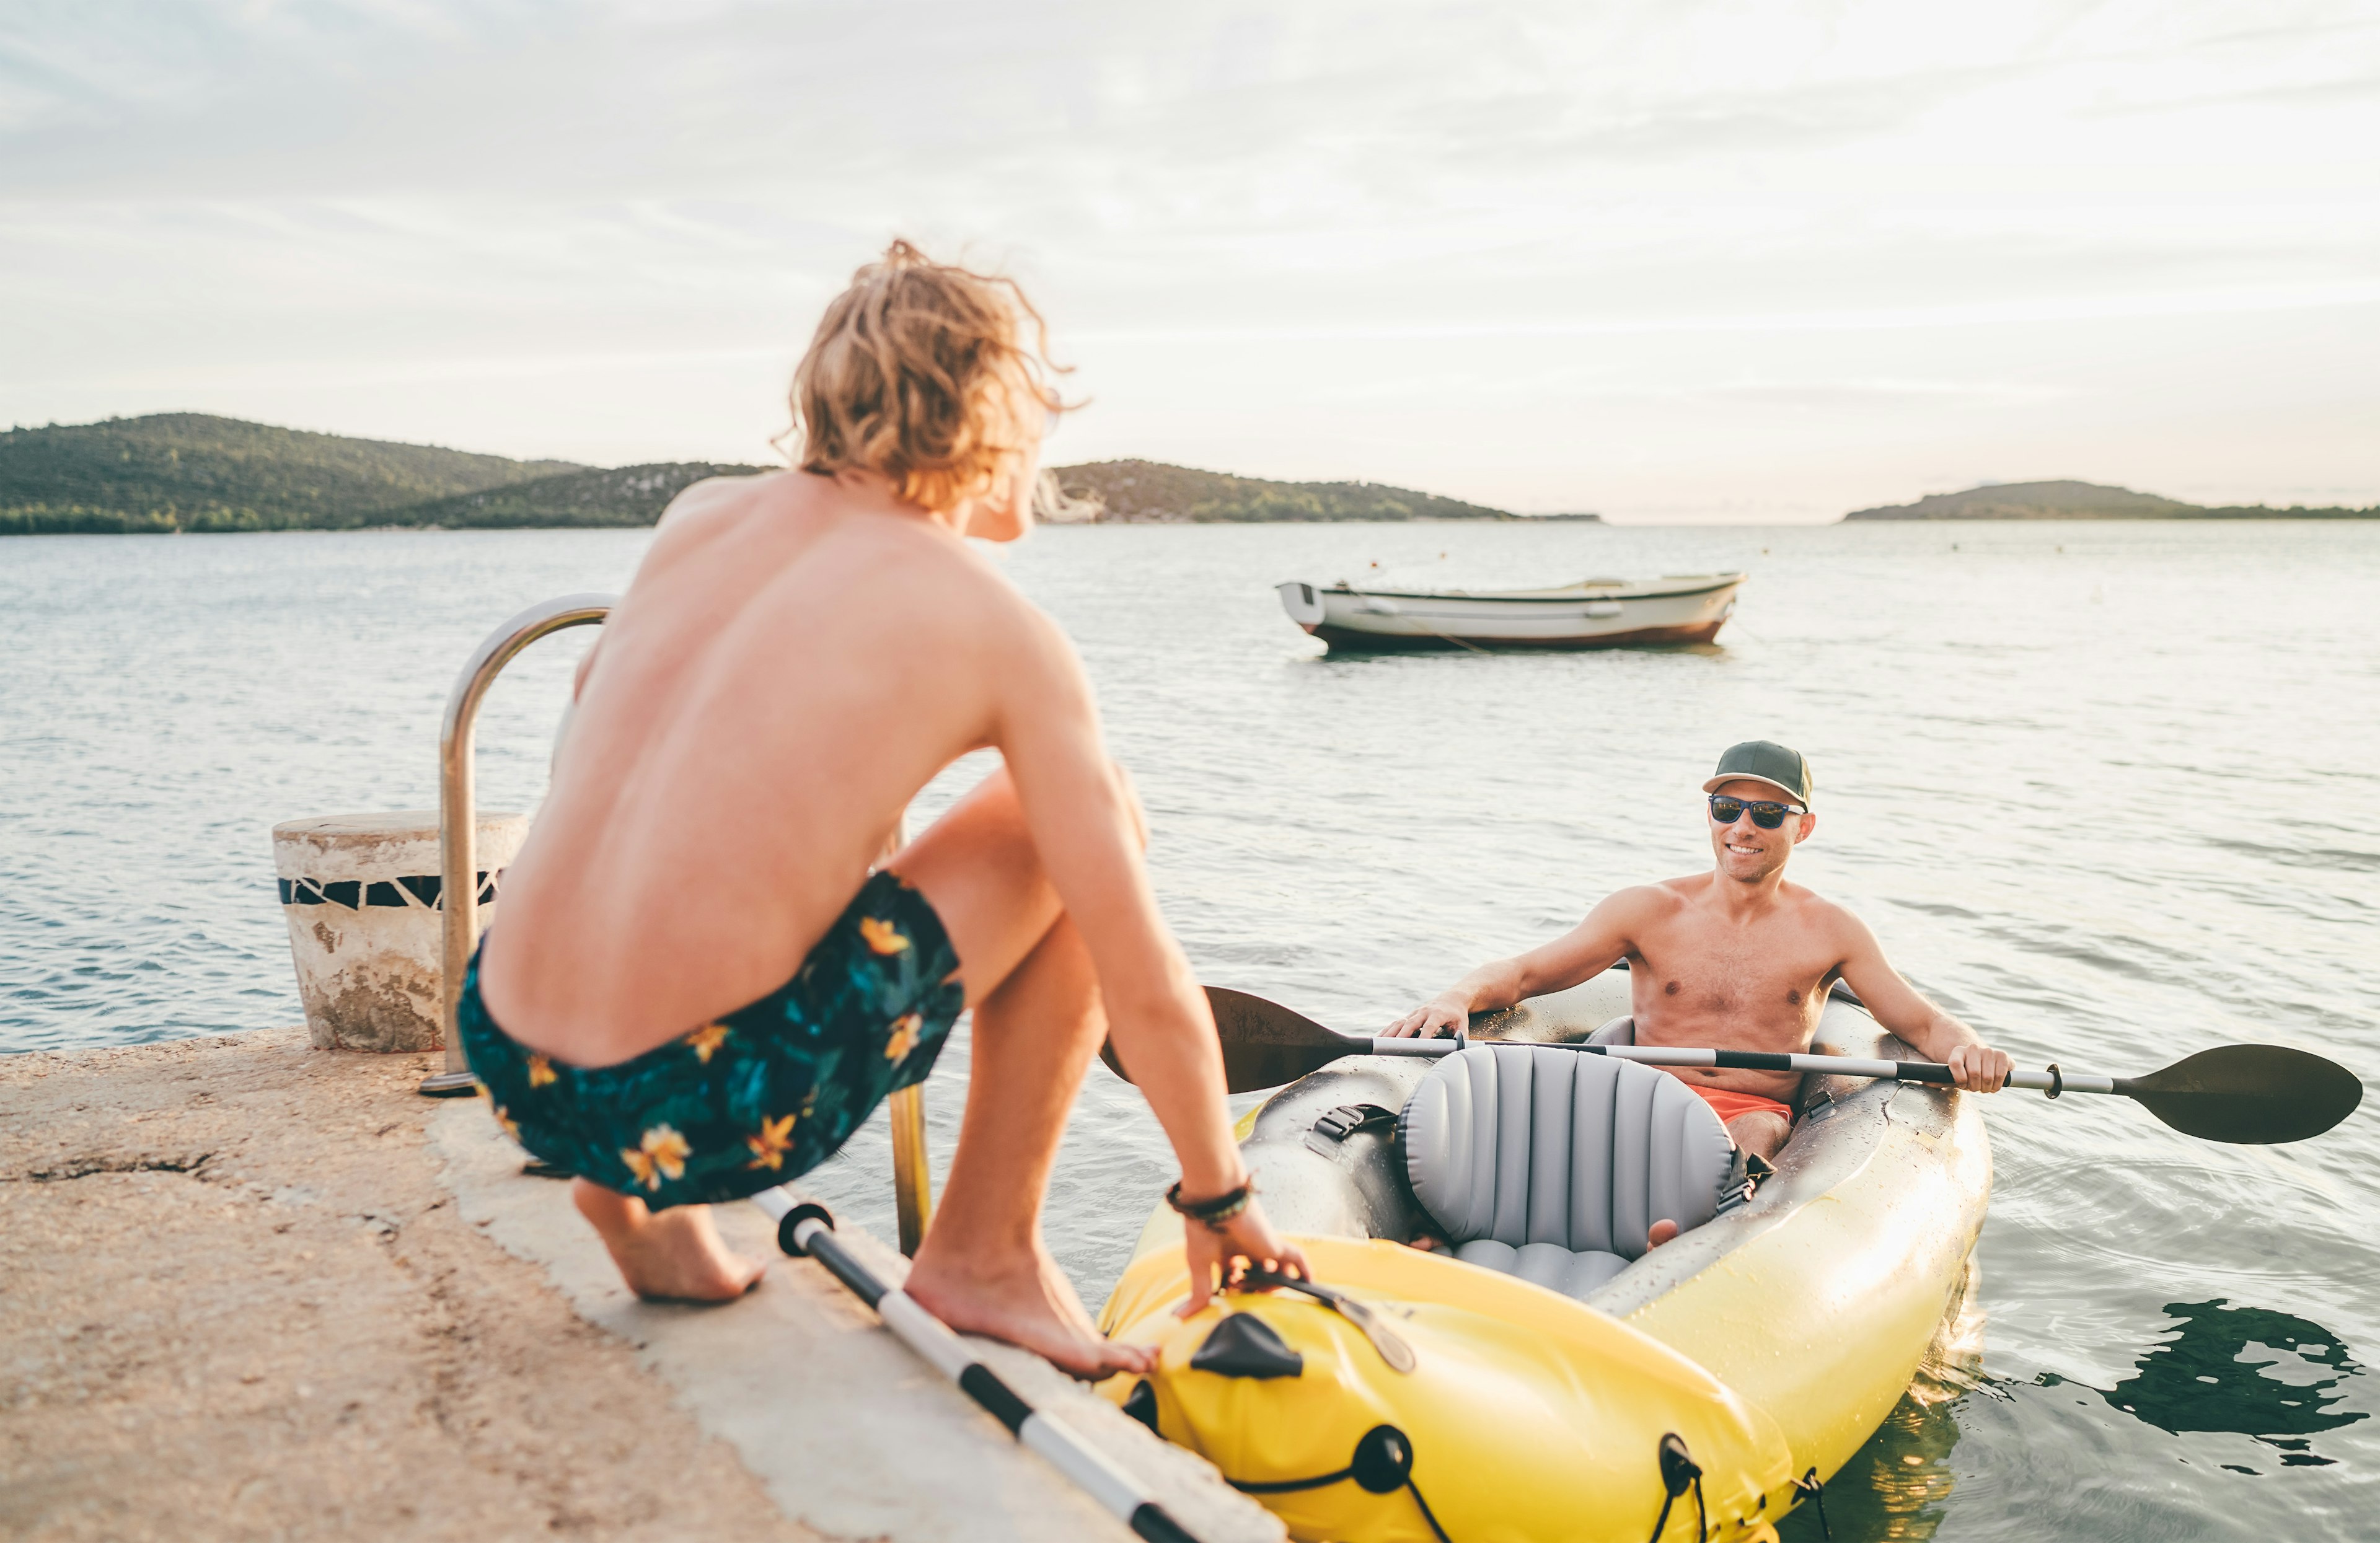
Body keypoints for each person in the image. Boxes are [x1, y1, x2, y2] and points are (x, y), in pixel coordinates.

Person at [464, 240, 1307, 1379]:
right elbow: (1142, 976)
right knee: (1078, 815)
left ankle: (636, 1197)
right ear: (996, 418)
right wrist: (1217, 1190)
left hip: (511, 1055)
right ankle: (984, 1255)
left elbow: (593, 732)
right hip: (709, 1104)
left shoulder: (701, 515)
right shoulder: (991, 623)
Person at [1385, 741, 2011, 1245]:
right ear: (1709, 814)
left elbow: (1921, 1024)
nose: (1743, 826)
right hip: (1639, 1096)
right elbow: (1526, 975)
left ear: (1805, 828)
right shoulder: (1647, 910)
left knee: (1760, 1133)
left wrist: (1971, 1050)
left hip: (1748, 1114)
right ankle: (1441, 1230)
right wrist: (1456, 998)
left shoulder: (1831, 931)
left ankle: (1691, 1243)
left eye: (1768, 815)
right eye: (1727, 808)